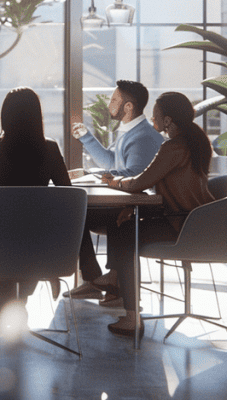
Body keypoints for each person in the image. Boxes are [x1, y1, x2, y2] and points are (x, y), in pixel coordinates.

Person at [98, 92, 216, 337]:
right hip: (196, 222)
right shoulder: (193, 142)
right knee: (124, 224)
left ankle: (130, 314)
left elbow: (141, 182)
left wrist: (114, 183)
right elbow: (161, 185)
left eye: (156, 114)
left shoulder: (174, 147)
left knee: (126, 233)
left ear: (168, 120)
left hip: (184, 226)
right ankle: (114, 282)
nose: (152, 118)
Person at [0, 87, 71, 317]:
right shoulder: (50, 148)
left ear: (5, 115)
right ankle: (17, 301)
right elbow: (67, 195)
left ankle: (6, 301)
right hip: (40, 242)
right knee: (25, 251)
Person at [65, 80, 165, 301]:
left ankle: (110, 283)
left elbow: (133, 175)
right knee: (75, 213)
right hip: (126, 203)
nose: (109, 104)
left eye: (114, 100)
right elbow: (112, 162)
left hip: (138, 209)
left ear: (128, 107)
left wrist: (95, 176)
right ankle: (96, 281)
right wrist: (86, 139)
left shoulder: (143, 137)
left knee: (75, 214)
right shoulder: (131, 131)